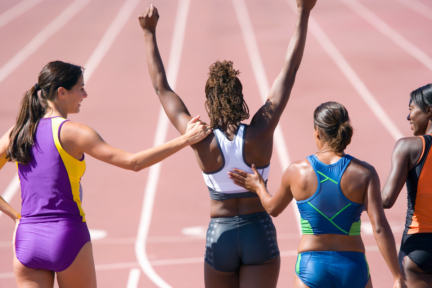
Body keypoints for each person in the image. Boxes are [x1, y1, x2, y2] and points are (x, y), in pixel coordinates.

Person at [138, 0, 316, 286]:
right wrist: (302, 12)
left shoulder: (198, 136)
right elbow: (290, 70)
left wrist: (149, 34)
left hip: (220, 235)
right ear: (240, 95)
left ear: (210, 100)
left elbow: (162, 88)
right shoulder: (261, 129)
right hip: (258, 231)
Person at [0, 60, 211, 288]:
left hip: (28, 240)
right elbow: (134, 162)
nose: (85, 94)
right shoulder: (74, 133)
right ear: (62, 92)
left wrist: (16, 216)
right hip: (66, 235)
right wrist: (186, 139)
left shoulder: (17, 133)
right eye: (80, 88)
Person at [228, 102, 405, 288]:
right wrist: (397, 276)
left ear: (318, 132)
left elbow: (272, 208)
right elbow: (380, 228)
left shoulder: (297, 171)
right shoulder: (365, 173)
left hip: (311, 267)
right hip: (353, 267)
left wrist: (258, 187)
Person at [381, 84, 432, 288]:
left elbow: (385, 199)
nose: (408, 117)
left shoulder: (409, 146)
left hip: (418, 247)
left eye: (411, 109)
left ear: (429, 110)